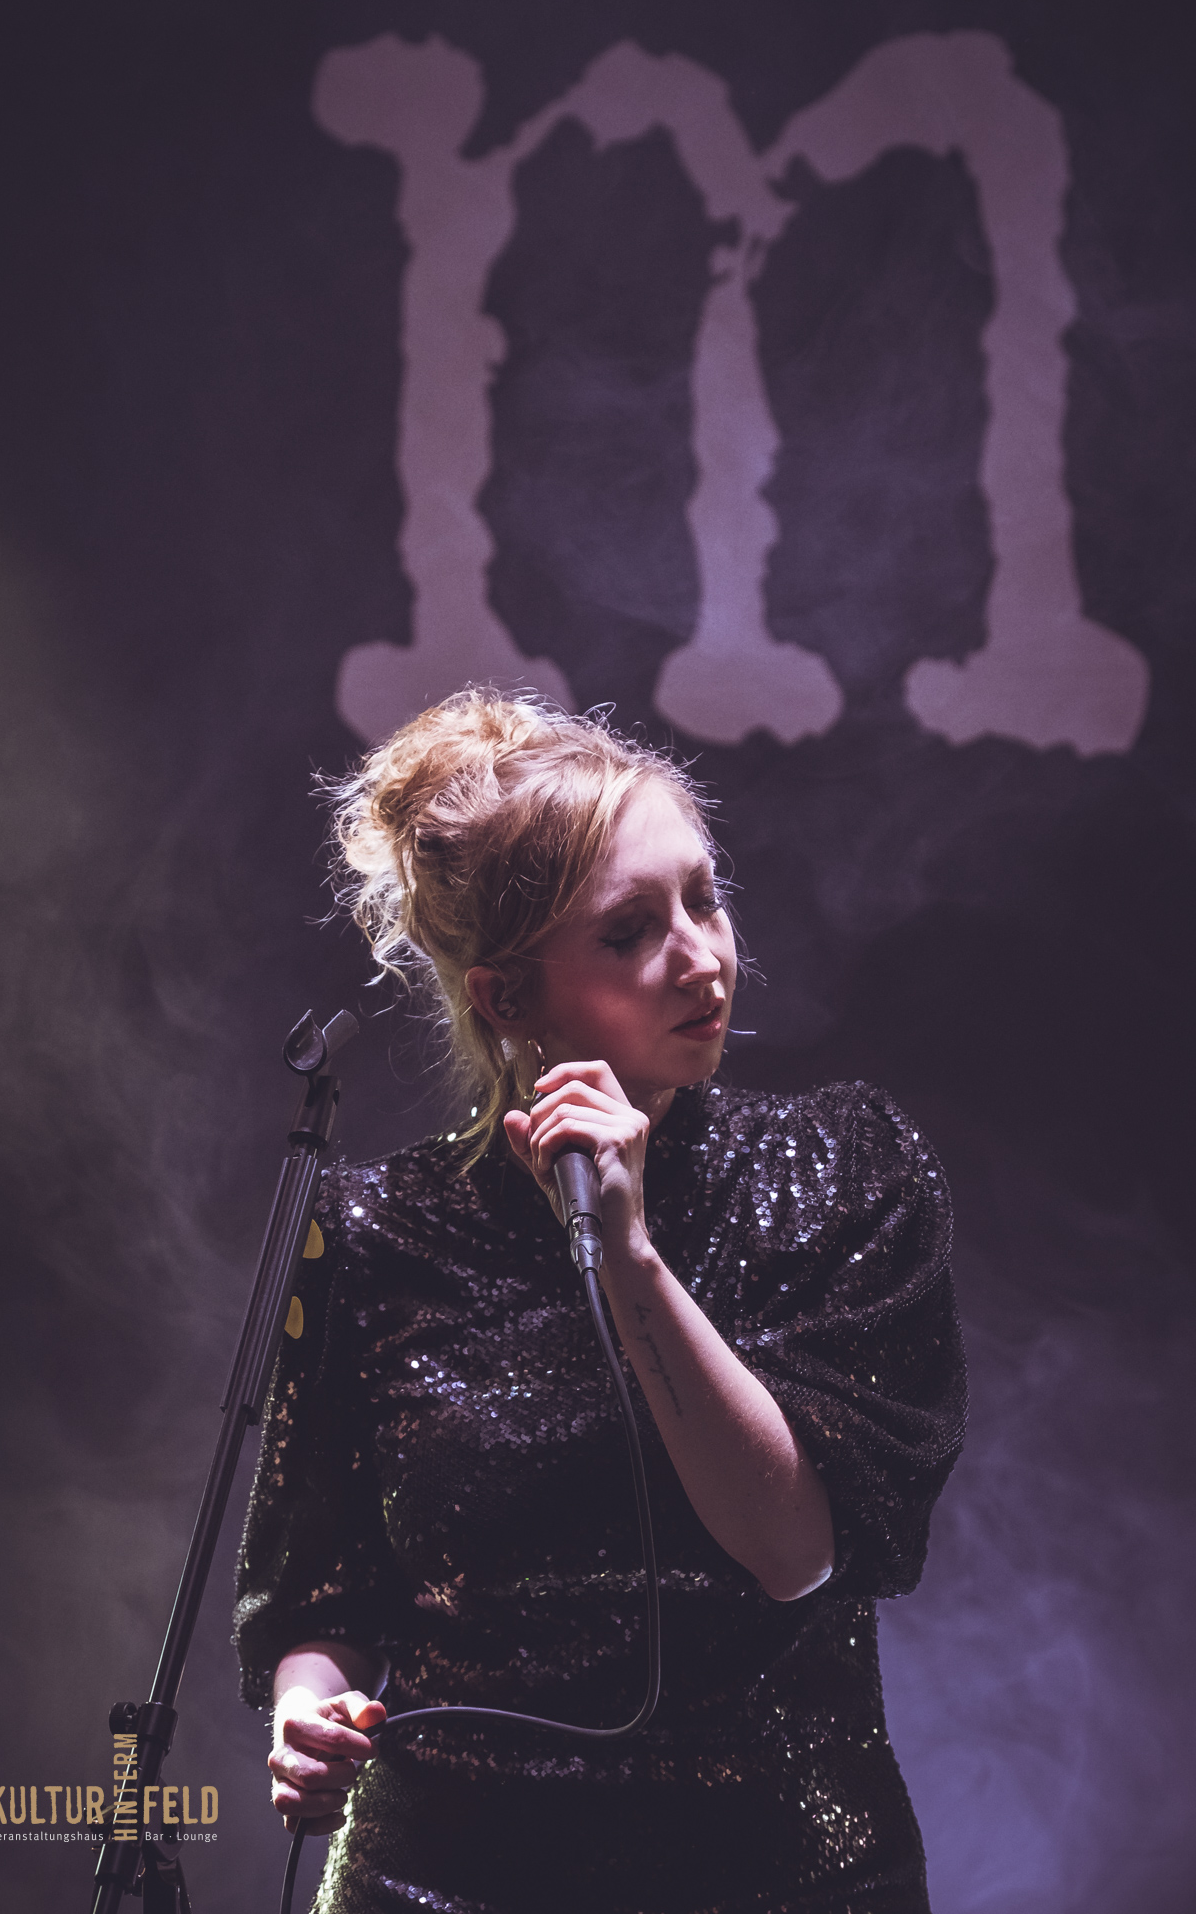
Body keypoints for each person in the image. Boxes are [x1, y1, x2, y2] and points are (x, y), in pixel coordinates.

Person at [234, 690, 966, 1914]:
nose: (700, 956)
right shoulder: (375, 1230)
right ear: (506, 998)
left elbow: (793, 1553)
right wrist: (308, 1711)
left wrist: (626, 1255)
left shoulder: (843, 1172)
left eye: (703, 898)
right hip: (441, 1877)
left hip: (779, 1879)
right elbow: (323, 1590)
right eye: (629, 932)